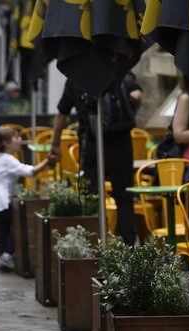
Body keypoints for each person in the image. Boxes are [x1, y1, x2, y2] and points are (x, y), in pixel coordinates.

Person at [50, 73, 143, 246]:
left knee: (92, 196)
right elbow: (136, 95)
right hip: (121, 143)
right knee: (124, 197)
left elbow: (62, 112)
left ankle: (94, 242)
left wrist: (55, 144)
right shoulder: (119, 68)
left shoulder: (76, 74)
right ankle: (126, 246)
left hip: (92, 143)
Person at [0, 126, 52, 271]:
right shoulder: (8, 159)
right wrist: (48, 160)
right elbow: (30, 171)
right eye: (16, 137)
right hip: (1, 200)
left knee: (4, 231)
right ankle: (7, 255)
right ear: (6, 143)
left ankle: (1, 258)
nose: (20, 140)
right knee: (17, 227)